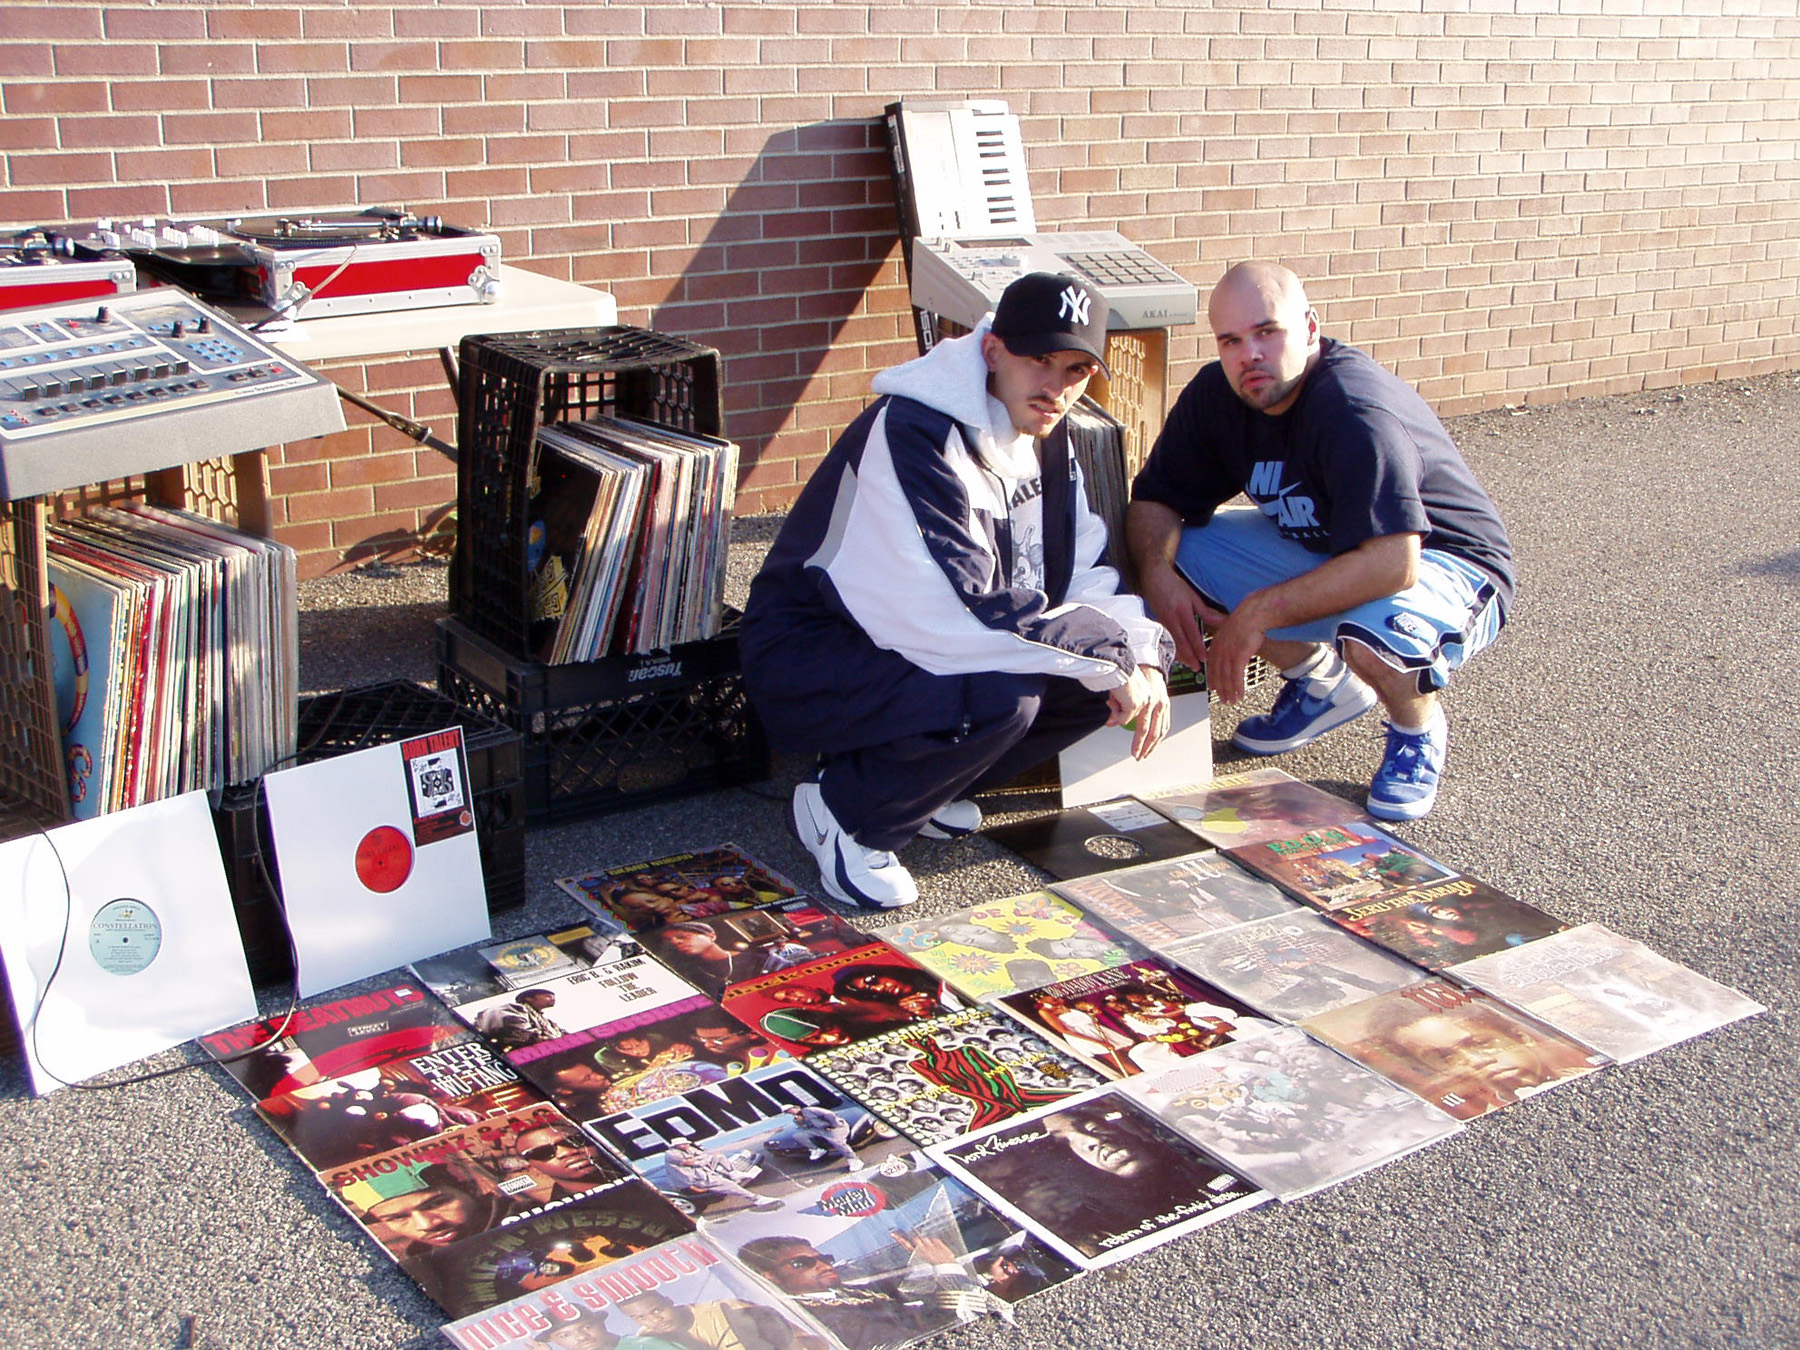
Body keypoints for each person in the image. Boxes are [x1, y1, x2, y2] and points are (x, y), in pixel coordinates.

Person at [742, 271, 1175, 909]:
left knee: (1093, 685)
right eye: (1041, 360)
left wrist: (1139, 653)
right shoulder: (912, 432)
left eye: (1078, 370)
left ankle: (925, 789)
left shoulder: (1050, 437)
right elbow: (950, 615)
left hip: (912, 652)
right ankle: (846, 813)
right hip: (814, 657)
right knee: (1004, 695)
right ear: (993, 350)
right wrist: (1106, 656)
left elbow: (1086, 571)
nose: (1057, 386)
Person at [1127, 262, 1515, 821]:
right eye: (1231, 340)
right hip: (1336, 549)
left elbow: (1392, 564)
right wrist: (1159, 580)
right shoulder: (1219, 395)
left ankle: (1417, 728)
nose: (1249, 355)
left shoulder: (1354, 409)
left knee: (1371, 640)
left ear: (1310, 328)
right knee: (1175, 557)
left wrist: (1257, 611)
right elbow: (1154, 503)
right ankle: (1320, 685)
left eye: (1267, 332)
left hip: (1444, 561)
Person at [735, 1234, 981, 1350]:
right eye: (802, 1263)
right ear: (769, 1276)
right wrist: (947, 1269)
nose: (823, 1265)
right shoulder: (817, 1319)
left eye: (824, 1258)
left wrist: (921, 1264)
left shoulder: (845, 1289)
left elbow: (906, 1299)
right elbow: (931, 1337)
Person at [471, 987, 565, 1050]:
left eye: (553, 997)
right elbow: (508, 1027)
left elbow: (565, 1037)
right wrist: (545, 1040)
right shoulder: (512, 1008)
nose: (553, 998)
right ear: (529, 998)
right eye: (548, 996)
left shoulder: (549, 1023)